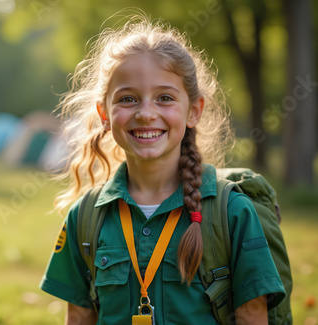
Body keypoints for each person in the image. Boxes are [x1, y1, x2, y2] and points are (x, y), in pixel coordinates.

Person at [40, 14, 286, 325]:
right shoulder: (85, 216)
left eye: (165, 98)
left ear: (193, 110)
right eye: (128, 99)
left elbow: (253, 318)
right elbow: (78, 318)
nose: (145, 113)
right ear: (105, 113)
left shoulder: (232, 212)